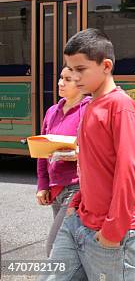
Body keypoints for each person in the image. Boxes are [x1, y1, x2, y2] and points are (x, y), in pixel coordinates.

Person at [42, 28, 135, 281]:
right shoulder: (90, 106)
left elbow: (128, 170)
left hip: (111, 231)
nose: (74, 77)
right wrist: (77, 202)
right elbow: (90, 165)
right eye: (70, 69)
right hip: (78, 221)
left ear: (106, 66)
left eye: (81, 69)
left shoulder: (120, 106)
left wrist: (112, 229)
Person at [36, 67, 90, 257]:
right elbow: (43, 151)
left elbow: (99, 150)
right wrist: (42, 185)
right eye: (60, 78)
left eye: (67, 79)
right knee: (71, 249)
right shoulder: (52, 111)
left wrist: (78, 153)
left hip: (77, 188)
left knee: (54, 248)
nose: (60, 83)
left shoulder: (90, 110)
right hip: (55, 188)